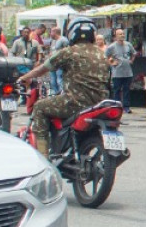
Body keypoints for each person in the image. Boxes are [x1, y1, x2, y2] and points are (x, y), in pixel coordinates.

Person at [18, 17, 110, 158]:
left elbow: (43, 68)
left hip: (75, 103)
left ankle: (43, 157)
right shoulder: (101, 54)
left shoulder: (69, 52)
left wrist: (24, 78)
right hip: (100, 104)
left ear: (72, 33)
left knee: (40, 107)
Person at [104, 28, 135, 113]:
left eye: (123, 34)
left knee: (126, 90)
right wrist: (111, 63)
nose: (122, 35)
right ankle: (116, 107)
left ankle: (126, 107)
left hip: (128, 72)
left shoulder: (128, 45)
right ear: (116, 36)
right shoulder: (112, 46)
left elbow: (134, 53)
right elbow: (105, 56)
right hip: (117, 73)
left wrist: (131, 60)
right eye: (120, 34)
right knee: (117, 90)